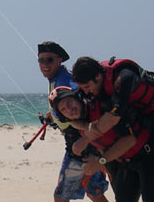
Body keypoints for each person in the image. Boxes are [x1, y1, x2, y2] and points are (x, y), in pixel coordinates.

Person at [71, 56, 154, 202]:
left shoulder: (124, 77)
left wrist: (86, 138)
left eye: (87, 87)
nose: (87, 92)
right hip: (142, 116)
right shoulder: (91, 85)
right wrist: (85, 126)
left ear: (98, 76)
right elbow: (70, 117)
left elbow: (113, 118)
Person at [49, 86, 154, 202]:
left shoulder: (101, 110)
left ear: (77, 98)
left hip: (148, 157)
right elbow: (76, 123)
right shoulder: (80, 120)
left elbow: (130, 140)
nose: (69, 110)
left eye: (69, 103)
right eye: (64, 110)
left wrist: (99, 159)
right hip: (125, 162)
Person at [37, 41, 108, 202]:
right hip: (88, 146)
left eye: (49, 60)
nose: (45, 65)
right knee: (95, 192)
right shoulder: (57, 79)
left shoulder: (67, 82)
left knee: (61, 197)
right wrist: (54, 115)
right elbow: (67, 107)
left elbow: (84, 108)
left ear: (59, 60)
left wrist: (86, 140)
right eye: (41, 60)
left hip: (80, 147)